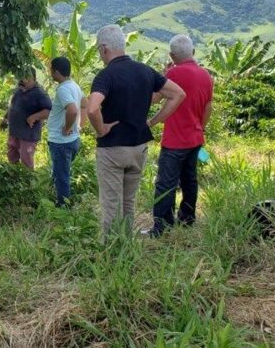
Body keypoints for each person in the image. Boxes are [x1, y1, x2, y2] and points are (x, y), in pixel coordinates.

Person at [86, 25, 186, 238]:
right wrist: (153, 121)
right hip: (139, 147)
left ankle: (113, 251)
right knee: (128, 202)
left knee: (112, 203)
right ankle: (127, 245)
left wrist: (101, 129)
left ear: (104, 48)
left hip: (112, 149)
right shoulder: (145, 70)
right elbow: (178, 94)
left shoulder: (106, 75)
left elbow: (93, 108)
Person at [146, 35, 214, 237]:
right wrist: (200, 128)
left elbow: (154, 99)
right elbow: (208, 107)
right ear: (193, 52)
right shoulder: (206, 75)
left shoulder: (174, 73)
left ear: (172, 55)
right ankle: (187, 219)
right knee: (189, 180)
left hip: (175, 140)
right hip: (195, 138)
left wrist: (161, 76)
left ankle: (162, 228)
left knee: (165, 184)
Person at [46, 57, 88, 207]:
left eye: (51, 70)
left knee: (61, 175)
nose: (50, 73)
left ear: (56, 72)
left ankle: (63, 206)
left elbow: (72, 110)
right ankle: (60, 197)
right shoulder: (74, 86)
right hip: (72, 140)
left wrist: (68, 127)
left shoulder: (63, 89)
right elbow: (85, 104)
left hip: (61, 142)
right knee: (62, 172)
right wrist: (79, 126)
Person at [0, 67, 52, 169]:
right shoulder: (19, 91)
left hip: (28, 134)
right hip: (14, 131)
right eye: (22, 77)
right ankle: (14, 179)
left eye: (27, 78)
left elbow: (49, 111)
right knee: (11, 156)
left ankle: (27, 183)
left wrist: (34, 116)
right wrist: (6, 118)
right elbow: (13, 106)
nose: (24, 80)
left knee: (26, 160)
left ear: (34, 79)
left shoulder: (39, 93)